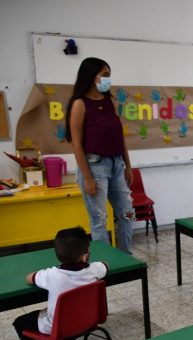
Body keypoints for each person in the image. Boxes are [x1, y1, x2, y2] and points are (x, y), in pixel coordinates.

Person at [12, 227, 108, 340]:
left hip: (58, 327)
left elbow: (29, 278)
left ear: (57, 254)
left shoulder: (51, 275)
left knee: (20, 322)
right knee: (71, 310)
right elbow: (105, 265)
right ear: (86, 254)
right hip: (87, 321)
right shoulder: (95, 269)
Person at [65, 57, 134, 254]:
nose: (108, 79)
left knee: (127, 214)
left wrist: (128, 166)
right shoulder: (80, 104)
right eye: (104, 75)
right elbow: (76, 144)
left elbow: (119, 138)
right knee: (99, 219)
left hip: (116, 164)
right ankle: (105, 261)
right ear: (90, 76)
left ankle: (126, 257)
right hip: (94, 167)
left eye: (109, 75)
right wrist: (87, 177)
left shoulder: (110, 101)